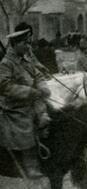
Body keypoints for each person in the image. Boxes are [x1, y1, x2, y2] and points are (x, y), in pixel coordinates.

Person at [0, 25, 51, 178]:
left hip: (33, 99)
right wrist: (29, 92)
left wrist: (42, 86)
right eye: (25, 44)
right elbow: (4, 86)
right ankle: (31, 166)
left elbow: (38, 75)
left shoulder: (26, 60)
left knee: (53, 110)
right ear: (15, 45)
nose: (28, 46)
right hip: (15, 104)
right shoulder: (6, 63)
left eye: (29, 43)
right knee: (25, 124)